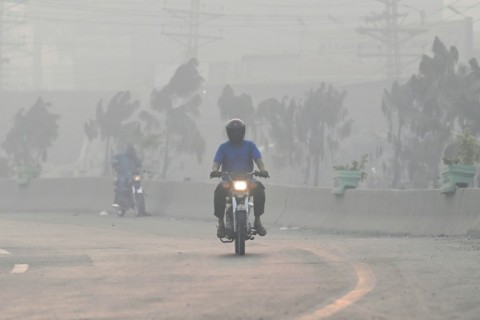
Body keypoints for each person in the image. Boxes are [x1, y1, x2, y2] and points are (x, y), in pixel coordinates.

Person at [210, 118, 270, 238]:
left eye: (238, 131)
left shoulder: (250, 146)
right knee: (219, 191)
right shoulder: (223, 147)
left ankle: (257, 221)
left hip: (248, 180)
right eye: (233, 131)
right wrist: (215, 171)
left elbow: (258, 160)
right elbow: (216, 162)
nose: (236, 134)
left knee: (259, 189)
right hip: (228, 180)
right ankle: (221, 222)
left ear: (243, 132)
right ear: (228, 133)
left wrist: (262, 170)